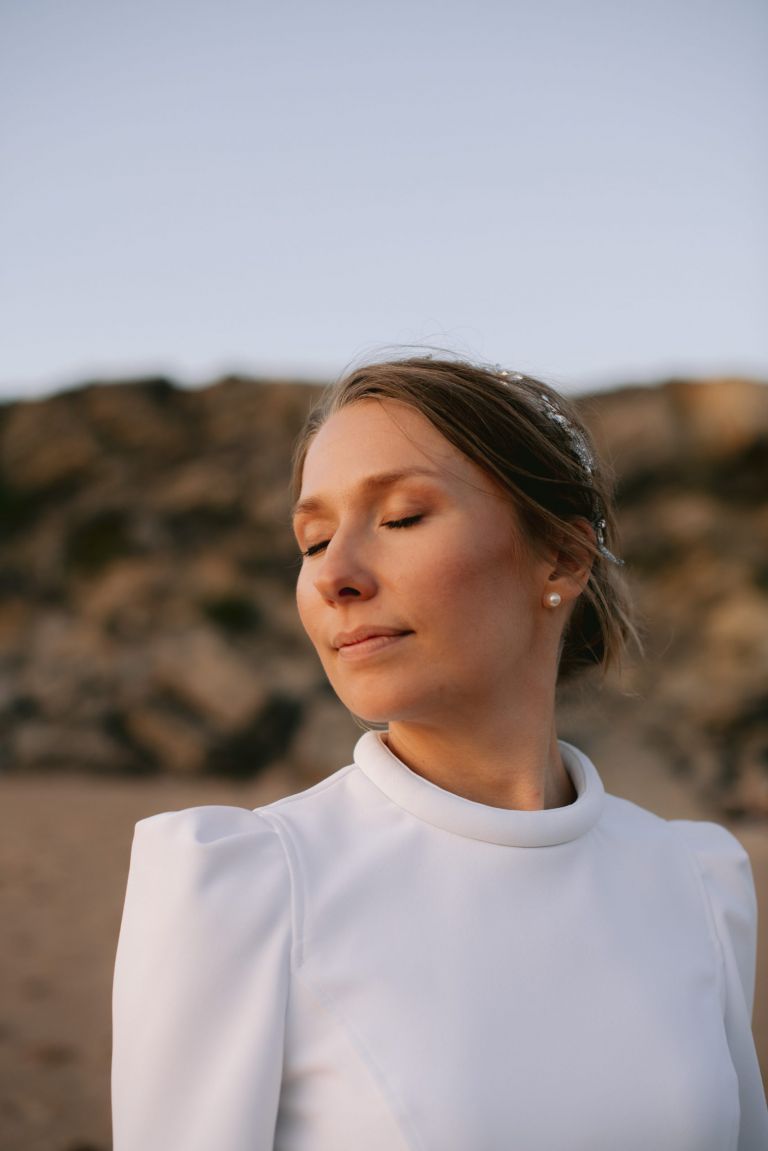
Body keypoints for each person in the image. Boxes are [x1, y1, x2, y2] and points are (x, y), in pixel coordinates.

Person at [111, 356, 768, 1150]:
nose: (336, 576)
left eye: (400, 517)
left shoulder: (699, 883)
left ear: (560, 557)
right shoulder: (245, 887)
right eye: (314, 540)